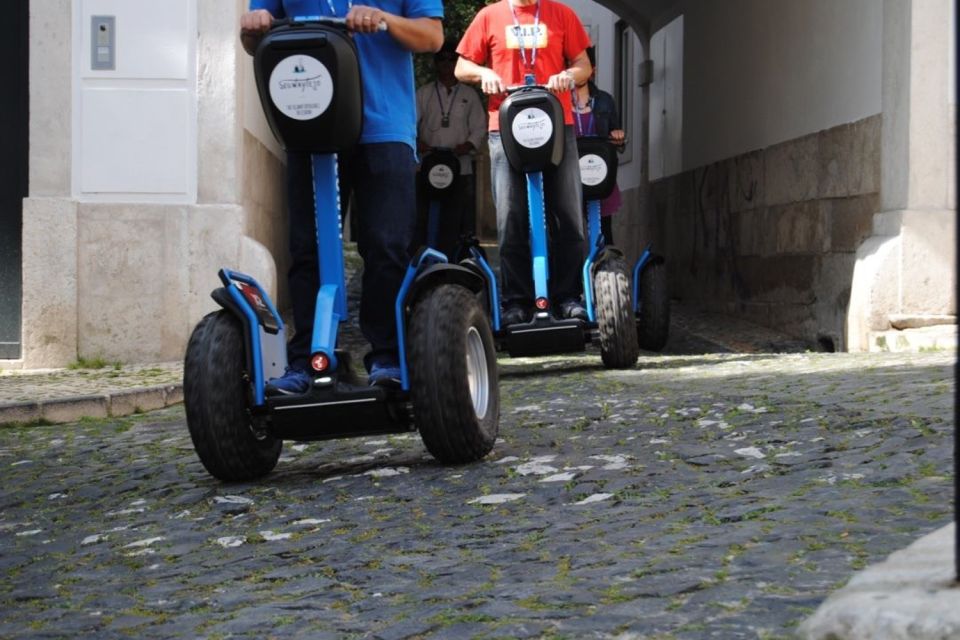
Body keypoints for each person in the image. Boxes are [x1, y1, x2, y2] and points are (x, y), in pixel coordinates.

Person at [240, 1, 443, 393]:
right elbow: (254, 41)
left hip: (384, 127)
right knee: (307, 250)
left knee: (385, 247)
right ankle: (307, 359)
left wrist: (384, 19)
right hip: (309, 123)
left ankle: (387, 356)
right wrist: (253, 27)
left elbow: (432, 37)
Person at [455, 0, 593, 325]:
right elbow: (462, 67)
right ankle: (515, 300)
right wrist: (484, 73)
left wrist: (567, 75)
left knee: (568, 213)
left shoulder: (561, 13)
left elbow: (583, 64)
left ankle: (568, 296)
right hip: (504, 124)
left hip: (557, 122)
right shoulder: (489, 17)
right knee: (511, 214)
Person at [414, 39, 487, 257]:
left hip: (459, 166)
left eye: (451, 59)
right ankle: (421, 258)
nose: (446, 63)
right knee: (422, 216)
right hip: (427, 164)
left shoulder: (469, 95)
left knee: (455, 218)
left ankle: (451, 260)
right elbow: (411, 123)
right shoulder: (424, 93)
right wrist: (419, 144)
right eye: (441, 59)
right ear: (435, 63)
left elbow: (479, 126)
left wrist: (468, 145)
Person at [573, 45, 625, 245]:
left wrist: (618, 137)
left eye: (582, 66)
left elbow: (616, 140)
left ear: (592, 70)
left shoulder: (605, 100)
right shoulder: (557, 101)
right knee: (571, 240)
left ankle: (605, 273)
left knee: (604, 238)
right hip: (571, 180)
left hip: (598, 176)